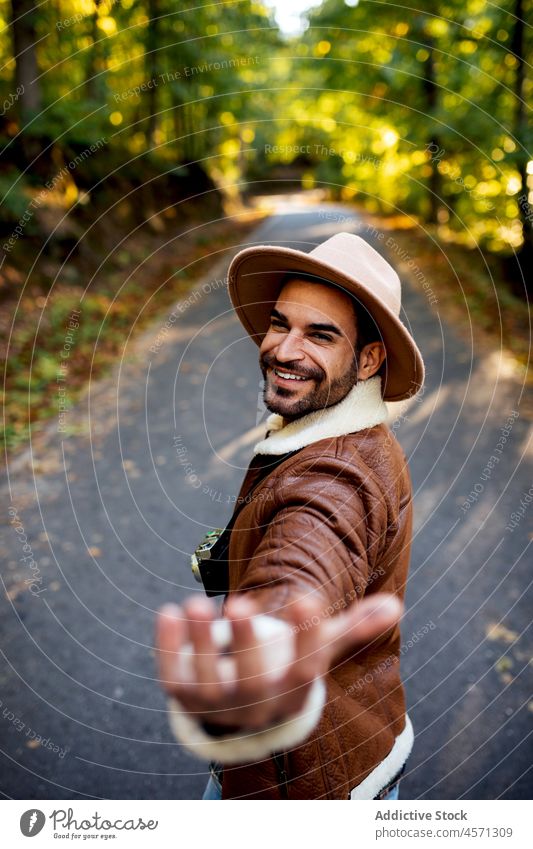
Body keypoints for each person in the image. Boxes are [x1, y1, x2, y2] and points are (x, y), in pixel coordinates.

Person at [156, 231, 425, 800]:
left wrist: (264, 652)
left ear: (370, 358)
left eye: (320, 336)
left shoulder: (336, 477)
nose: (283, 350)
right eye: (281, 324)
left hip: (297, 791)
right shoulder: (352, 436)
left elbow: (308, 556)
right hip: (350, 757)